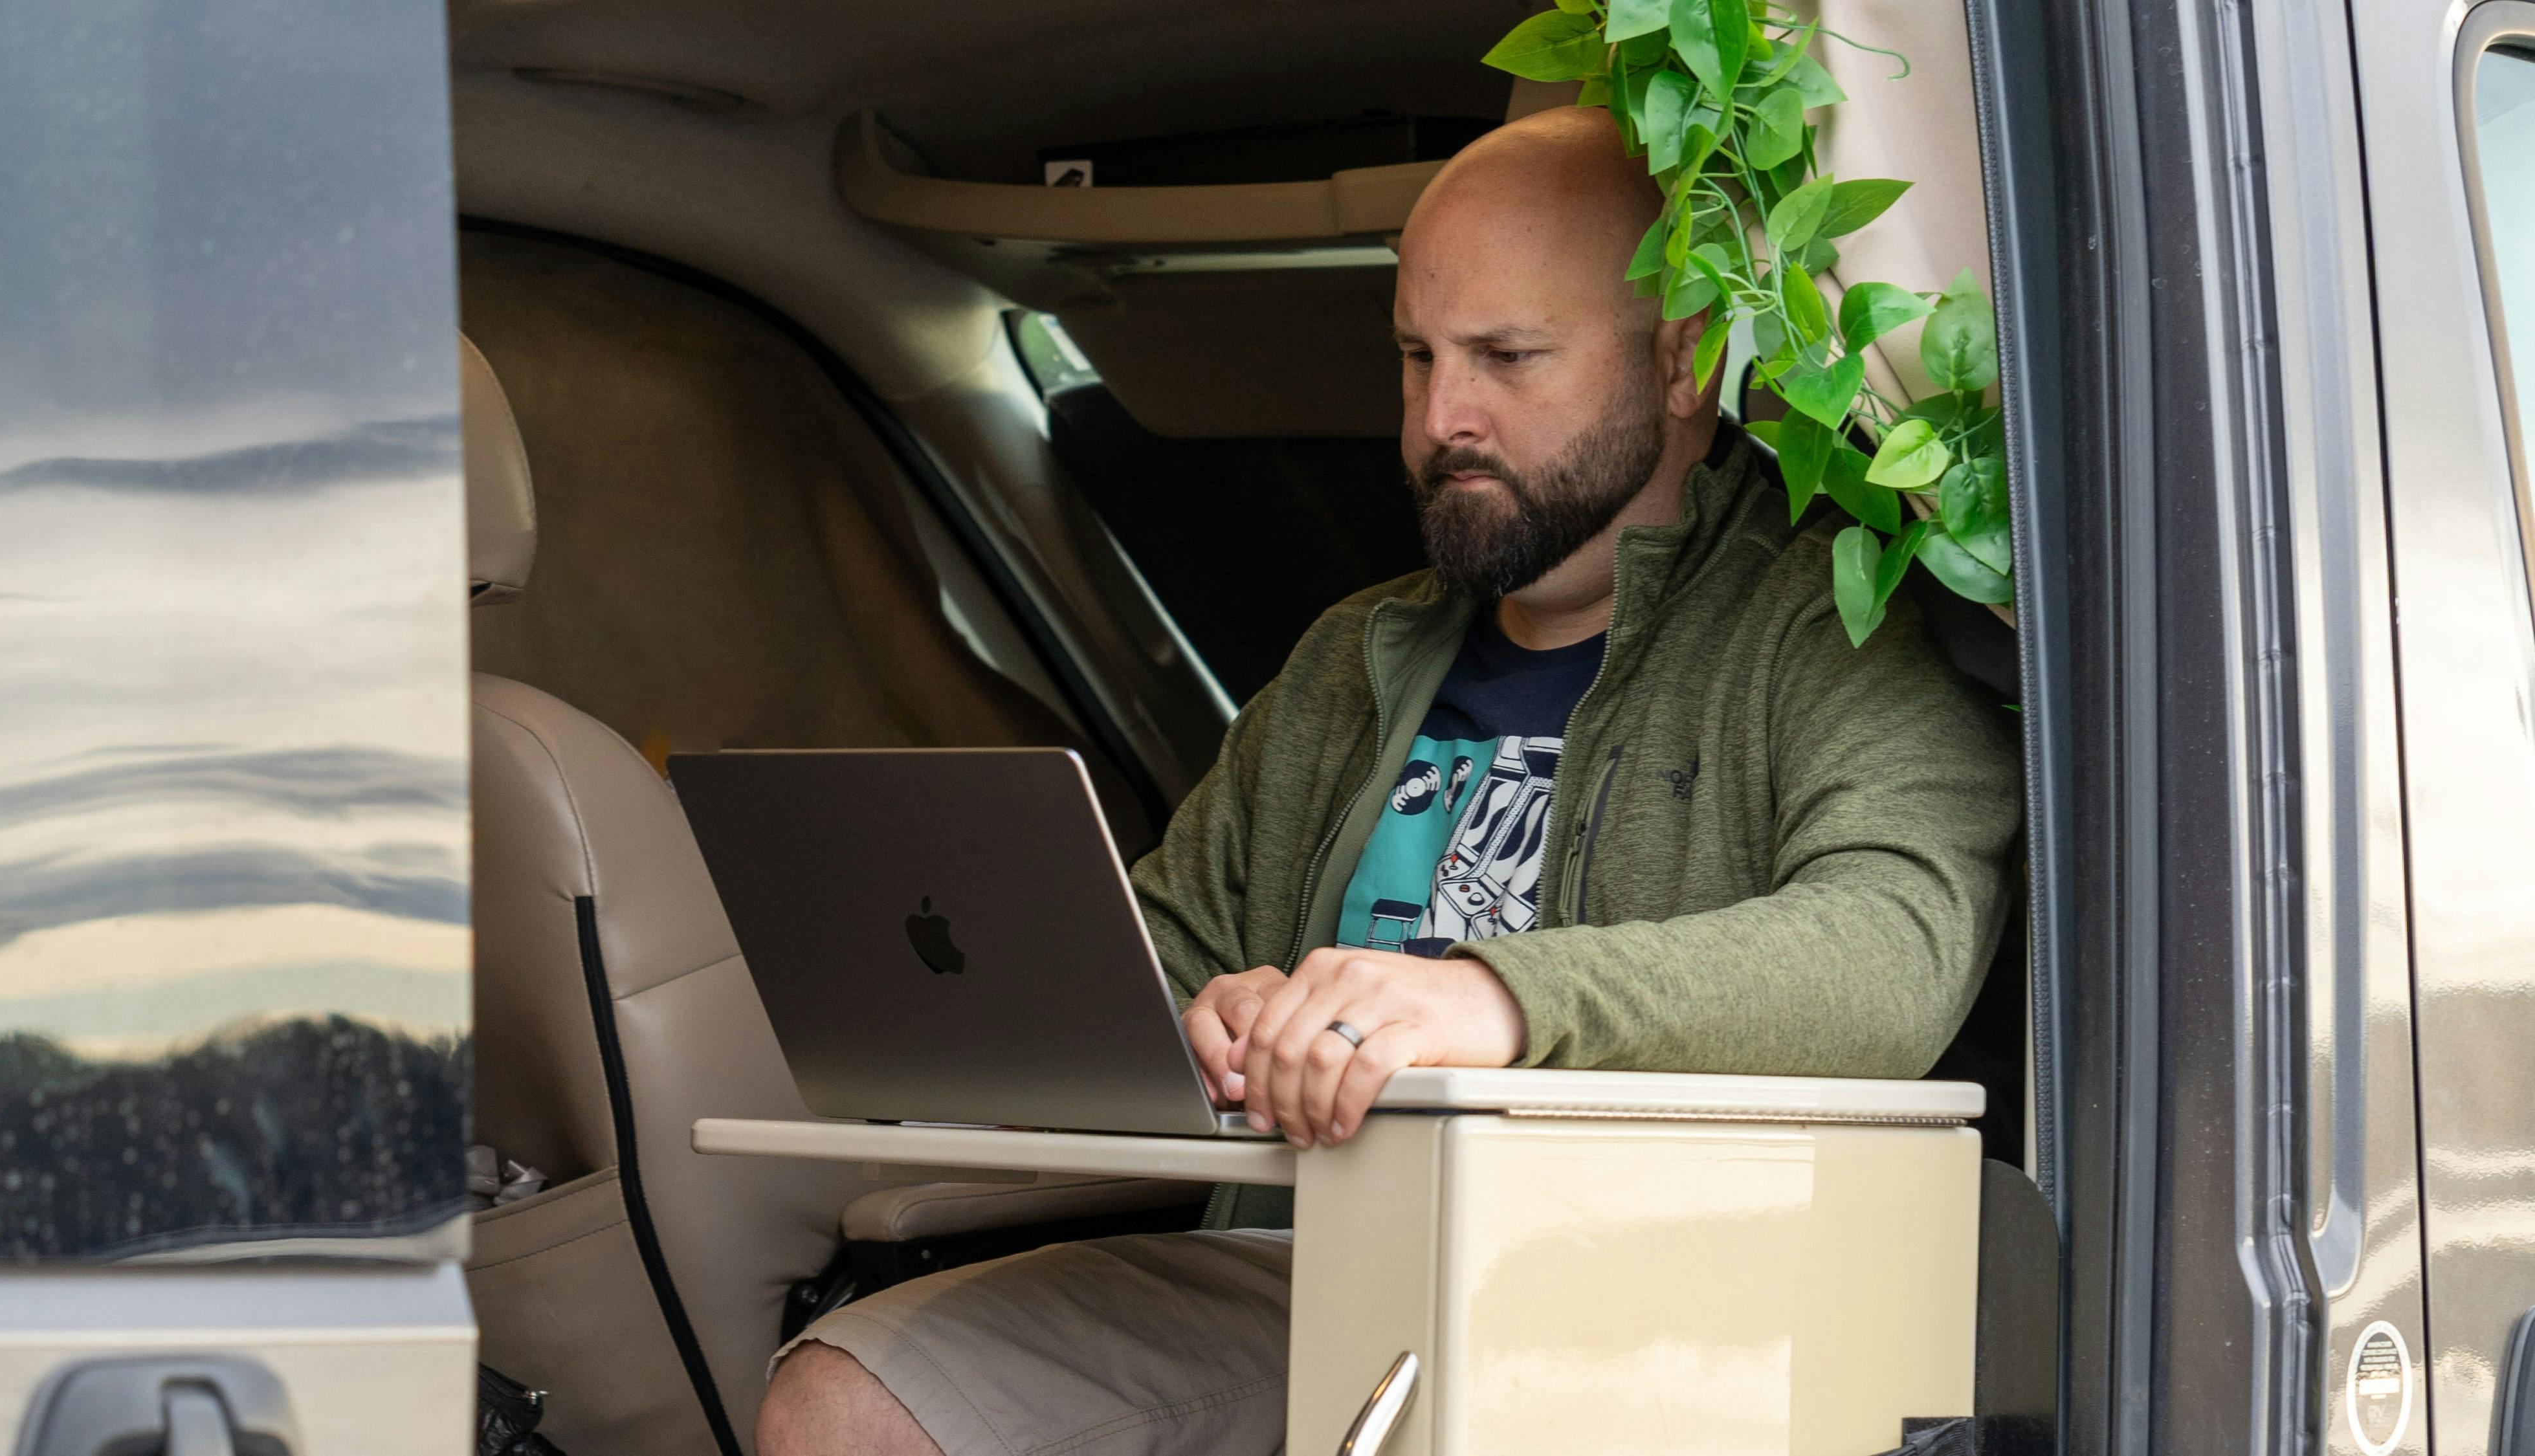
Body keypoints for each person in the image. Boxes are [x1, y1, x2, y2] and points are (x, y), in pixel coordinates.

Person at [757, 103, 2021, 1456]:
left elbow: (1892, 949)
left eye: (1505, 358)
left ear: (1683, 362)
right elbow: (1170, 950)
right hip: (1311, 1275)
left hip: (1662, 1308)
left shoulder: (1824, 620)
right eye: (1416, 356)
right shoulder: (1349, 656)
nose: (1438, 418)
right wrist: (1214, 1021)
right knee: (848, 1396)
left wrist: (1490, 1000)